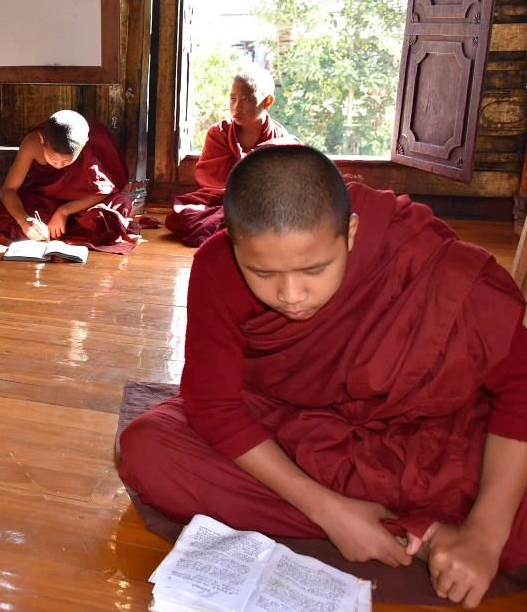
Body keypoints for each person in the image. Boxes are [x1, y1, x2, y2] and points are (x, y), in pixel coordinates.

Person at [120, 145, 527, 609]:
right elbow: (215, 407)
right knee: (150, 449)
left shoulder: (419, 256)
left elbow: (521, 387)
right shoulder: (216, 269)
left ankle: (416, 530)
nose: (292, 296)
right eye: (263, 272)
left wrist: (487, 533)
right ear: (233, 243)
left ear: (350, 233)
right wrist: (328, 511)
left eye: (314, 269)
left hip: (424, 429)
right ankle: (414, 533)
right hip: (294, 426)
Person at [165, 65, 298, 246]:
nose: (236, 107)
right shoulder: (218, 133)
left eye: (246, 100)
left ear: (268, 102)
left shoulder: (281, 140)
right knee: (186, 214)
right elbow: (212, 183)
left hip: (260, 204)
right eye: (233, 99)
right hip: (221, 201)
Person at [0, 110, 137, 253]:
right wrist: (24, 220)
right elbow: (8, 190)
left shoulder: (90, 147)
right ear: (43, 140)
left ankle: (58, 228)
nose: (58, 165)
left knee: (109, 217)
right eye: (53, 158)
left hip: (80, 203)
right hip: (46, 199)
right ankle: (54, 231)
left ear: (83, 146)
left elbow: (103, 192)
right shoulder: (32, 144)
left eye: (66, 162)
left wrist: (64, 211)